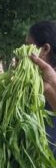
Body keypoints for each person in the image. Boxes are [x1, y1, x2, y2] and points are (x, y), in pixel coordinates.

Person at [27, 20, 56, 156]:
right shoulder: (36, 84)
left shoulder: (50, 82)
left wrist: (51, 88)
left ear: (45, 49)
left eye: (27, 46)